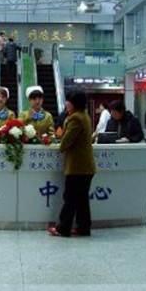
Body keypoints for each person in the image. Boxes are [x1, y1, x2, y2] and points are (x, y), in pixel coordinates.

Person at [48, 90, 95, 237]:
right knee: (82, 200)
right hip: (86, 166)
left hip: (77, 167)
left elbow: (65, 143)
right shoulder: (84, 116)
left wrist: (59, 138)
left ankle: (63, 228)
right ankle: (83, 228)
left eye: (68, 101)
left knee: (70, 198)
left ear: (74, 103)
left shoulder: (75, 119)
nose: (66, 103)